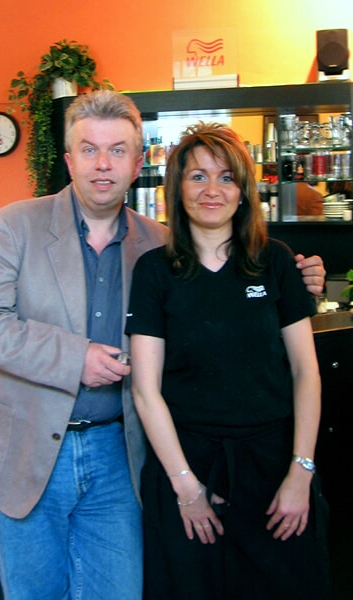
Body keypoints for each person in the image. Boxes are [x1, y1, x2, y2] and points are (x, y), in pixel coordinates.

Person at [0, 91, 325, 600]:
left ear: (137, 163)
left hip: (118, 454)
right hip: (25, 448)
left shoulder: (162, 247)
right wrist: (74, 357)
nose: (103, 164)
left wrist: (301, 278)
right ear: (69, 160)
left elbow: (227, 296)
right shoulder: (14, 225)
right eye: (89, 149)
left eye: (117, 150)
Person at [125, 122, 332, 600]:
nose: (211, 190)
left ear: (243, 191)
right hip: (185, 465)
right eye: (197, 177)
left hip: (274, 468)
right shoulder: (155, 271)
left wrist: (301, 472)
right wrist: (186, 487)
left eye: (226, 178)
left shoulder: (275, 261)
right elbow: (145, 390)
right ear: (177, 189)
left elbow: (306, 373)